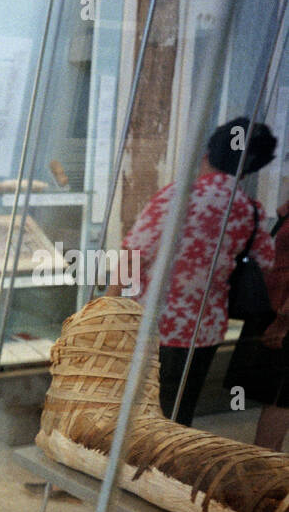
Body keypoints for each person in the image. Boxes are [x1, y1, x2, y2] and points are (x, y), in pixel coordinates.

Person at [110, 118, 275, 426]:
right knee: (178, 412)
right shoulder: (249, 209)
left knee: (139, 412)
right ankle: (167, 466)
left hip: (155, 324)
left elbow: (135, 253)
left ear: (207, 154)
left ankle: (133, 468)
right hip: (207, 327)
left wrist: (107, 305)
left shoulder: (179, 196)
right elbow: (265, 261)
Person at [225, 200, 289, 451]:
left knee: (279, 395)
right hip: (272, 306)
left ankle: (264, 460)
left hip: (281, 312)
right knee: (268, 391)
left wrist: (283, 321)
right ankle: (262, 456)